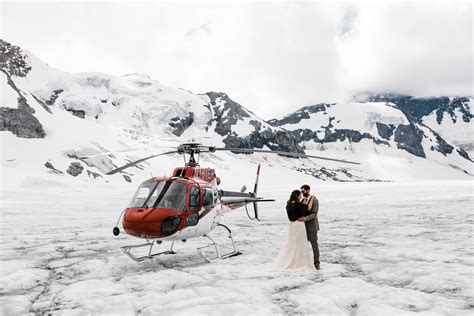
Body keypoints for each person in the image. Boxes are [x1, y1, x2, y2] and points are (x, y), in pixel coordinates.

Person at [274, 190, 316, 270]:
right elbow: (305, 212)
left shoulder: (288, 204)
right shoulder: (298, 204)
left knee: (293, 242)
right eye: (300, 195)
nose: (301, 196)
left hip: (292, 225)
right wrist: (304, 204)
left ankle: (292, 259)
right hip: (299, 224)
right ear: (297, 196)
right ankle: (299, 261)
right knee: (300, 242)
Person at [298, 184, 320, 270]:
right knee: (303, 245)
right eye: (301, 191)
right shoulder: (302, 200)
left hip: (312, 227)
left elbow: (314, 214)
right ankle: (304, 262)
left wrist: (304, 219)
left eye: (303, 191)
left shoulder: (315, 200)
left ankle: (316, 263)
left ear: (308, 190)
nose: (302, 193)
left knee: (314, 246)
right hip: (303, 228)